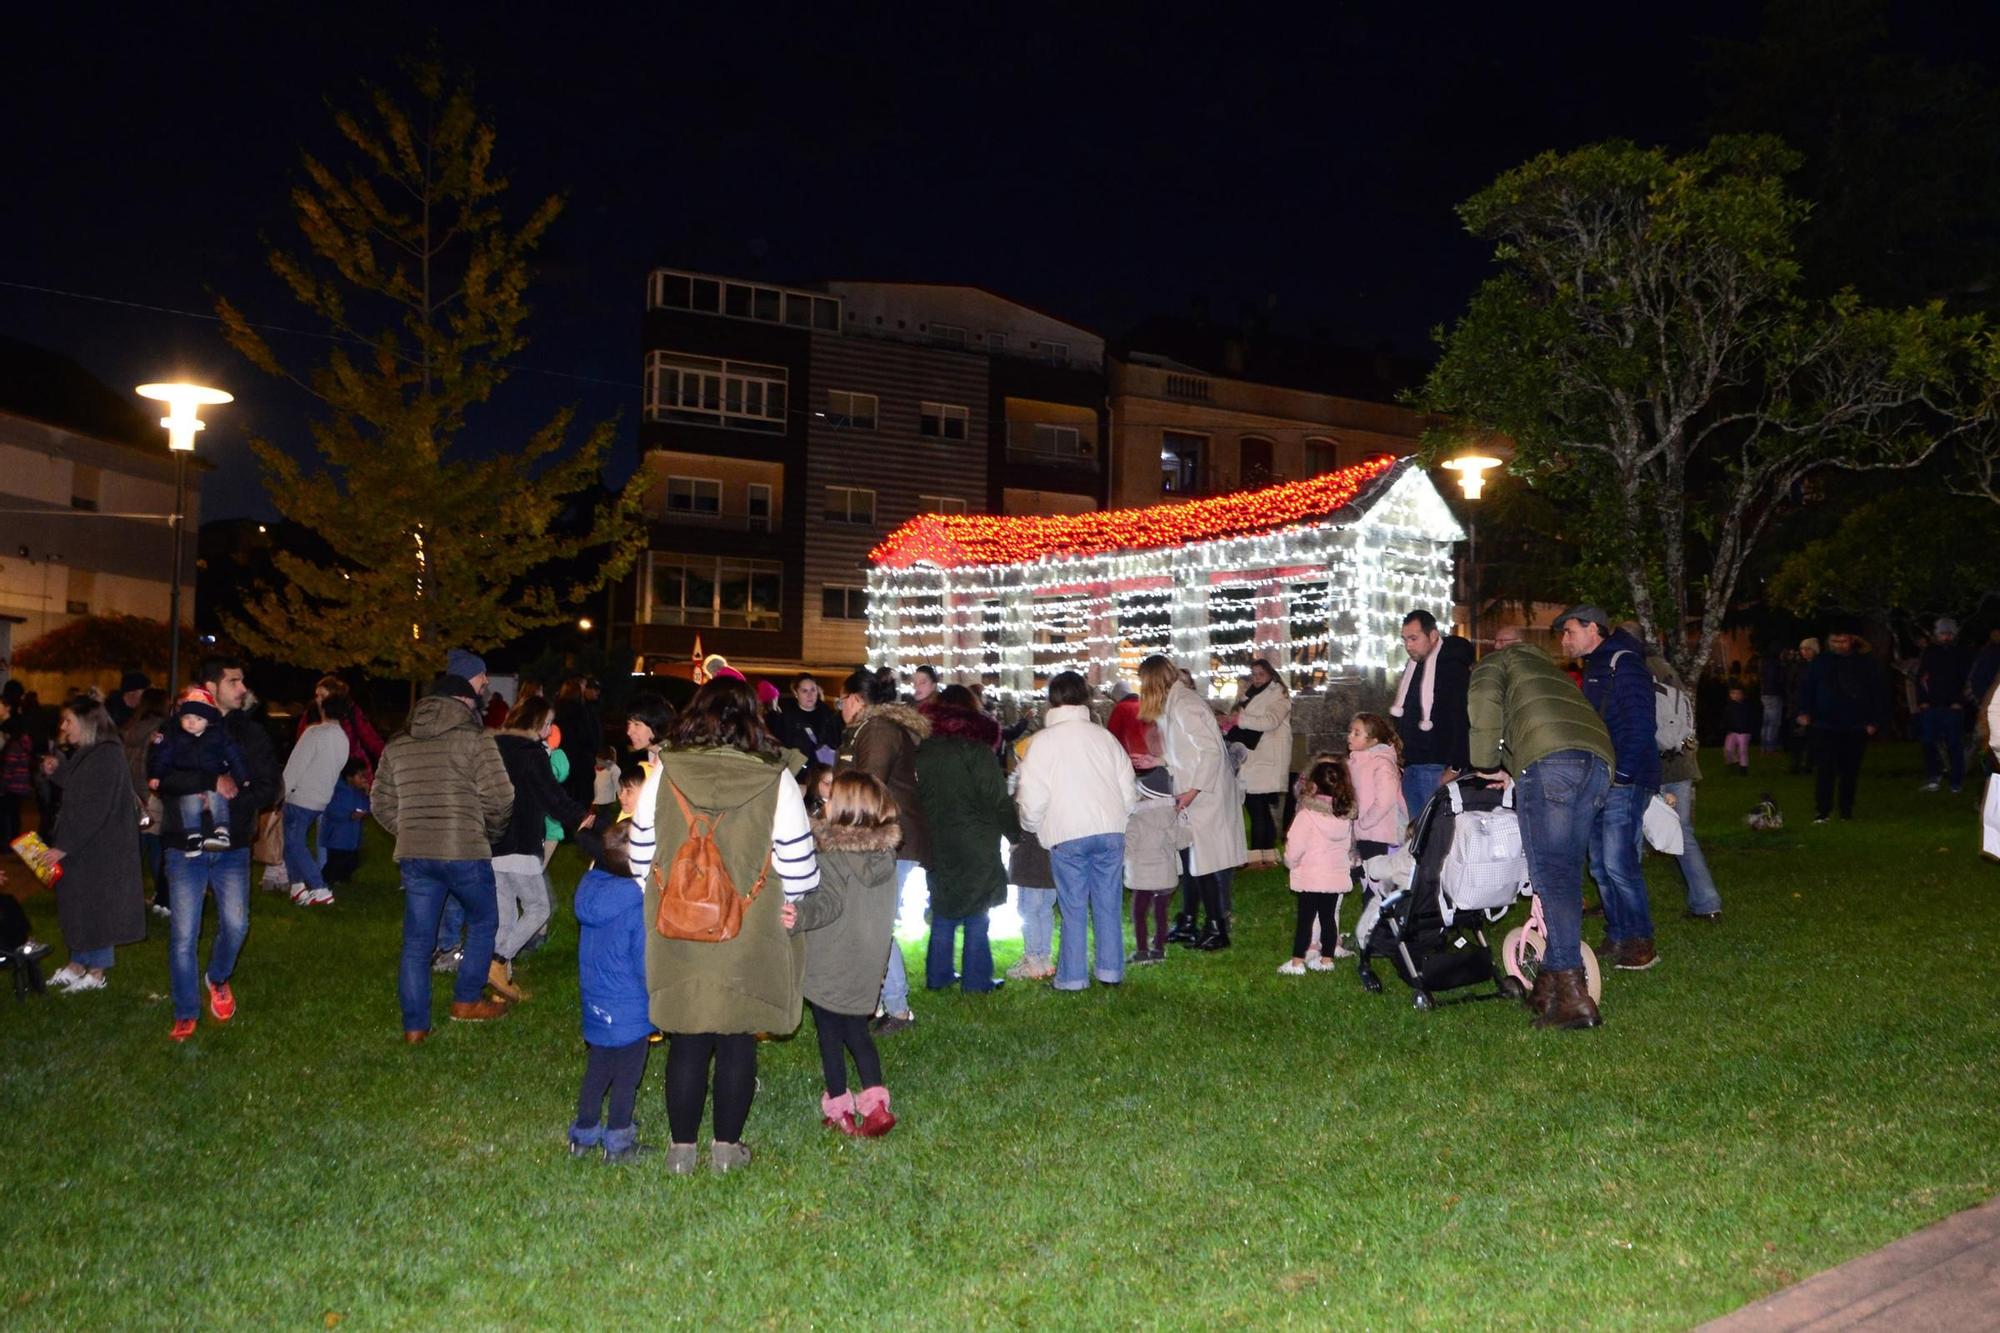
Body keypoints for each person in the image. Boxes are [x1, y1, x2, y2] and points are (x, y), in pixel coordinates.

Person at [647, 677, 821, 1174]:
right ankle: (726, 1150)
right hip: (747, 924)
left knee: (687, 1034)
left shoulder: (666, 771)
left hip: (675, 922)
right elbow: (800, 866)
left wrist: (672, 890)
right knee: (737, 1035)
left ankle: (681, 1152)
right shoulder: (776, 777)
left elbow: (641, 850)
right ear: (753, 718)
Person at [1467, 633, 1616, 1029]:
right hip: (1598, 763)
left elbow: (1483, 705)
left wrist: (1486, 764)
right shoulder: (1551, 672)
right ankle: (1547, 987)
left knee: (1553, 878)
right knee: (1565, 872)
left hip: (1550, 762)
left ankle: (1571, 993)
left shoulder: (1497, 663)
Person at [373, 649, 516, 1042]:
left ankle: (415, 1027)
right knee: (484, 922)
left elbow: (380, 802)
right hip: (465, 851)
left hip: (416, 856)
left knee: (417, 942)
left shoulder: (399, 742)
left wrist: (409, 830)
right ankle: (466, 1001)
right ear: (465, 700)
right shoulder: (476, 739)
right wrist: (487, 831)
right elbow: (501, 798)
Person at [153, 657, 281, 1042]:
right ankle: (185, 1010)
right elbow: (160, 776)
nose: (243, 689)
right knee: (183, 935)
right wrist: (208, 782)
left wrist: (230, 799)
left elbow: (268, 787)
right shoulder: (175, 729)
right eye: (234, 681)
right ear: (210, 686)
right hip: (184, 846)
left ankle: (218, 977)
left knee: (237, 924)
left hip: (232, 846)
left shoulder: (251, 734)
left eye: (243, 681)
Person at [792, 770, 902, 1138]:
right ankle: (876, 1103)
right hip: (867, 960)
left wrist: (797, 916)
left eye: (831, 797)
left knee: (828, 1033)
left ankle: (840, 1106)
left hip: (830, 957)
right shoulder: (885, 853)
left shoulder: (833, 853)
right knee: (857, 1031)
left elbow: (828, 904)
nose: (825, 802)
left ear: (846, 808)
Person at [1015, 671, 1138, 990]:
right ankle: (1110, 971)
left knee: (1073, 908)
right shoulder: (1104, 738)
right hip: (1110, 830)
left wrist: (1032, 826)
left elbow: (1032, 797)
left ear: (1052, 700)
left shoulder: (1042, 742)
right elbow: (1128, 788)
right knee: (1108, 904)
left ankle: (1072, 976)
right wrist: (1117, 818)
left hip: (1067, 833)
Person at [1557, 605, 1663, 972]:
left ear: (1593, 629)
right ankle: (1618, 934)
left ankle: (1641, 941)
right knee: (1601, 865)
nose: (1564, 640)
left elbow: (1639, 725)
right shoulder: (1597, 666)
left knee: (1619, 863)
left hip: (1625, 779)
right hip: (1603, 776)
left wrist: (1625, 775)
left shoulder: (1625, 663)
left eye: (1569, 631)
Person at [834, 666, 932, 1034]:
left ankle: (897, 1008)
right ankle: (878, 1004)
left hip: (886, 839)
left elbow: (865, 789)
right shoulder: (867, 730)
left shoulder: (875, 730)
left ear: (857, 700)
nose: (839, 707)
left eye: (842, 700)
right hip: (884, 837)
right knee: (871, 924)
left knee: (874, 925)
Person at [489, 695, 593, 1002]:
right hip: (520, 841)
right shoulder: (529, 752)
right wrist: (581, 817)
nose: (549, 730)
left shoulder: (493, 748)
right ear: (534, 722)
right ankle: (496, 962)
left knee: (506, 916)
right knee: (538, 908)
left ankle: (501, 985)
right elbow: (550, 795)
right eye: (547, 723)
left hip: (492, 842)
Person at [38, 697, 146, 995]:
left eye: (68, 721)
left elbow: (94, 808)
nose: (63, 727)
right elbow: (79, 788)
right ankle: (77, 964)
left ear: (87, 723)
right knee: (79, 907)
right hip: (87, 848)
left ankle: (96, 972)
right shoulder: (92, 752)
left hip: (100, 850)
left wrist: (64, 847)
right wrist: (56, 771)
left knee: (97, 909)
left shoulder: (106, 755)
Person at [914, 685, 1016, 994]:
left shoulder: (923, 750)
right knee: (976, 911)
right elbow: (997, 798)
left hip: (936, 838)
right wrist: (1015, 833)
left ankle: (938, 975)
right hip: (976, 840)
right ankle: (976, 980)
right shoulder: (976, 750)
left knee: (943, 906)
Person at [1142, 655, 1246, 950]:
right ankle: (1189, 921)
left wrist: (1193, 791)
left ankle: (1216, 927)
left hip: (1204, 796)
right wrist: (1159, 760)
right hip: (1194, 793)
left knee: (1206, 863)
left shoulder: (1185, 705)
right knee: (1190, 860)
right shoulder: (1175, 705)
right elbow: (1188, 753)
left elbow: (1211, 752)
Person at [569, 815, 653, 1163]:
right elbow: (642, 963)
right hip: (630, 1008)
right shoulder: (636, 905)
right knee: (626, 1076)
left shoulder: (591, 890)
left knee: (598, 1069)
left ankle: (584, 1135)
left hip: (596, 1002)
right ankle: (618, 1141)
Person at [1640, 642, 1724, 924]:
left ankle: (1622, 905)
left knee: (1628, 834)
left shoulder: (1637, 672)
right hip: (1683, 763)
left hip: (1656, 766)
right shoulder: (1671, 674)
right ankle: (1707, 901)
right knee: (1684, 834)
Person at [1797, 622, 1888, 824]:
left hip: (1855, 725)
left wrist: (1873, 721)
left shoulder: (1865, 664)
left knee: (1849, 771)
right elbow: (1806, 688)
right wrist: (1804, 711)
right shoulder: (1820, 663)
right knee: (1825, 770)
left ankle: (1846, 811)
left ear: (1851, 640)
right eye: (1835, 641)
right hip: (1824, 724)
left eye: (1843, 641)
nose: (1839, 645)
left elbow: (1877, 693)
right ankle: (1823, 811)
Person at [1389, 610, 1474, 823]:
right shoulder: (1413, 668)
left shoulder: (1452, 668)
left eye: (1414, 638)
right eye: (1405, 639)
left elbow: (1461, 719)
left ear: (1433, 635)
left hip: (1437, 767)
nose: (1408, 645)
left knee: (1436, 836)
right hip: (1412, 766)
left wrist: (1455, 766)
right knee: (1417, 835)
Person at [149, 685, 247, 855]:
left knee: (219, 798)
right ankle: (193, 837)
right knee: (189, 803)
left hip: (217, 779)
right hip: (189, 781)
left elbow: (234, 756)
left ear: (208, 721)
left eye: (198, 718)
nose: (192, 722)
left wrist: (242, 777)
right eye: (187, 717)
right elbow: (163, 758)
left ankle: (222, 831)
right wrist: (156, 775)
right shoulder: (175, 738)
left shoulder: (219, 736)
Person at [1280, 757, 1356, 975]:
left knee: (1305, 920)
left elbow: (1294, 848)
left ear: (1313, 785)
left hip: (1311, 878)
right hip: (1334, 878)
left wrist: (1290, 862)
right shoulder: (1344, 818)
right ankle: (1326, 960)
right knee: (1328, 918)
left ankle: (1297, 962)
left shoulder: (1306, 816)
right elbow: (1346, 847)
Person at [282, 697, 352, 906]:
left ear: (323, 709)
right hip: (321, 797)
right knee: (292, 843)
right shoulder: (343, 739)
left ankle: (319, 888)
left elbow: (296, 765)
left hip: (300, 796)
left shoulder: (314, 733)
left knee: (295, 843)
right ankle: (297, 888)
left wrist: (281, 792)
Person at [1228, 658, 1293, 867]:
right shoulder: (1251, 695)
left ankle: (1258, 856)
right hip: (1255, 759)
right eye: (1254, 674)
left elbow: (1270, 721)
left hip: (1266, 759)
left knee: (1257, 808)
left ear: (1271, 675)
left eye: (1261, 674)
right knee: (1259, 808)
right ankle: (1266, 854)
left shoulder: (1278, 695)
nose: (1256, 679)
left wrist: (1241, 720)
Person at [1005, 735, 1059, 982]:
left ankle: (1033, 959)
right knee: (1045, 907)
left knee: (1028, 907)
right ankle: (1044, 957)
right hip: (1053, 851)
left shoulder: (1026, 785)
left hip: (1031, 853)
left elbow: (1025, 818)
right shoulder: (1057, 780)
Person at [120, 687, 170, 915]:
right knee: (156, 846)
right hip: (151, 794)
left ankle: (128, 895)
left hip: (131, 794)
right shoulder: (161, 729)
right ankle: (161, 895)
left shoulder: (132, 727)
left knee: (135, 849)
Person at [1346, 712, 1407, 882]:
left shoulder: (1382, 763)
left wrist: (1364, 822)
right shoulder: (1355, 761)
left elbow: (1385, 800)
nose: (1350, 736)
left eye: (1357, 733)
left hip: (1378, 832)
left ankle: (1378, 908)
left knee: (1376, 881)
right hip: (1363, 831)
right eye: (1350, 731)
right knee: (1365, 877)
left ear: (1373, 740)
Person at [1916, 617, 1972, 794]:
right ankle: (1934, 777)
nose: (1946, 637)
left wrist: (1959, 702)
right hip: (1931, 707)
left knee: (1954, 745)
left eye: (1949, 634)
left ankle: (1956, 782)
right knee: (1928, 743)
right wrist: (1923, 701)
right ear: (1937, 634)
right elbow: (1921, 677)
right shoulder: (1930, 652)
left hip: (1953, 708)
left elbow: (1966, 680)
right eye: (1943, 634)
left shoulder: (1961, 653)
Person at [296, 675, 386, 774]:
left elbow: (371, 738)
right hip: (324, 769)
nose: (318, 700)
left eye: (322, 696)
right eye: (317, 695)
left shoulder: (351, 712)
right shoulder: (311, 714)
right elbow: (302, 744)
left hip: (352, 770)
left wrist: (388, 759)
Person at [771, 673, 843, 771]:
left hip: (823, 770)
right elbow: (781, 747)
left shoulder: (828, 716)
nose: (810, 695)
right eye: (804, 691)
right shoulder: (786, 718)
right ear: (796, 693)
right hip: (797, 770)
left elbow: (837, 742)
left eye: (813, 690)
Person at [554, 676, 604, 807]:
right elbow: (588, 737)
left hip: (560, 759)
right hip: (581, 762)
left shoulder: (555, 711)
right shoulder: (581, 711)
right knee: (581, 800)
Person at [322, 758, 371, 887]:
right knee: (336, 861)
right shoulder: (337, 790)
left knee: (353, 861)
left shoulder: (358, 791)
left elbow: (366, 807)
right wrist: (348, 815)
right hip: (337, 836)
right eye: (360, 776)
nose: (363, 779)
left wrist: (366, 795)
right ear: (349, 777)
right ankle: (326, 880)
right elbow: (331, 810)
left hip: (352, 836)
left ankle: (343, 879)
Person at [1786, 638, 1821, 774]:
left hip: (1815, 706)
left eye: (1808, 649)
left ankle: (1810, 764)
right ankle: (1796, 763)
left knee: (1813, 737)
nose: (1804, 652)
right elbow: (1791, 685)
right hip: (1798, 705)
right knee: (1797, 737)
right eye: (1802, 649)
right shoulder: (1798, 666)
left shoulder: (1819, 666)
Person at [622, 691, 675, 762]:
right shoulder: (654, 753)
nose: (628, 732)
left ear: (656, 725)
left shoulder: (670, 759)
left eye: (637, 724)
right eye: (629, 724)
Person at [1722, 685, 1757, 776]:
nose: (1736, 696)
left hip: (1744, 731)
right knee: (1728, 749)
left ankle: (1743, 768)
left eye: (1738, 694)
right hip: (1732, 731)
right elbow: (1726, 719)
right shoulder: (1729, 707)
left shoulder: (1747, 706)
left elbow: (1751, 718)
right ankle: (1733, 762)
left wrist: (1749, 729)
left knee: (1742, 750)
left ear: (1742, 695)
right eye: (1733, 693)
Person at [1758, 653, 1787, 754]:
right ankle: (1770, 748)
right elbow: (1778, 679)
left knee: (1766, 723)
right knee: (1773, 723)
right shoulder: (1776, 664)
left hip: (1765, 693)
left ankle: (1764, 746)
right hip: (1773, 693)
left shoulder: (1764, 662)